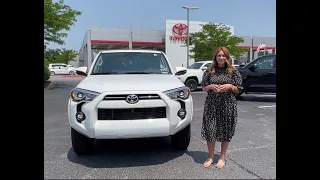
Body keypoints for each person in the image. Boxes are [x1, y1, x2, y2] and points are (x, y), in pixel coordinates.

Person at [201, 47, 243, 168]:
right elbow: (204, 87)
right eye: (219, 55)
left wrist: (230, 86)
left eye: (223, 55)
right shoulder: (209, 71)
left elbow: (239, 88)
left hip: (227, 105)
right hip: (211, 105)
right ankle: (210, 157)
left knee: (225, 131)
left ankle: (222, 157)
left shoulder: (233, 71)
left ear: (227, 57)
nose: (221, 58)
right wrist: (211, 87)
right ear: (215, 57)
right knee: (210, 130)